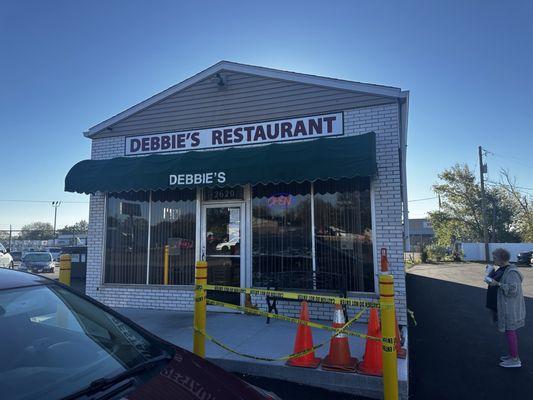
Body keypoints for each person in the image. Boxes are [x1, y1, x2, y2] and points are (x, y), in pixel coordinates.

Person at [485, 248, 526, 368]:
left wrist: (497, 284)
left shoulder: (512, 272)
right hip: (504, 306)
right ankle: (512, 355)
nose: (493, 260)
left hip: (510, 309)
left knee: (510, 332)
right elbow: (496, 280)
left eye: (495, 258)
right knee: (509, 332)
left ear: (502, 259)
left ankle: (515, 360)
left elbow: (513, 290)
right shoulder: (502, 269)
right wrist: (489, 273)